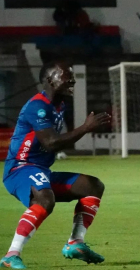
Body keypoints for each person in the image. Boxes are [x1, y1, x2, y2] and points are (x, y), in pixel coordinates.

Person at [1, 61, 111, 269]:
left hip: (39, 170)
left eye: (72, 76)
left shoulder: (59, 106)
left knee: (93, 185)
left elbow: (60, 142)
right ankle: (11, 254)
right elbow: (50, 142)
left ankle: (75, 242)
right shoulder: (38, 107)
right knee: (45, 198)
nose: (72, 80)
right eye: (66, 76)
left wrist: (82, 130)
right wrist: (85, 128)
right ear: (50, 80)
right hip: (20, 168)